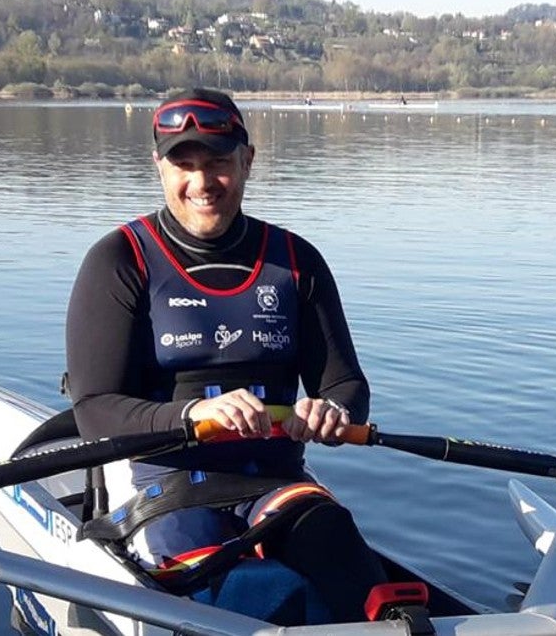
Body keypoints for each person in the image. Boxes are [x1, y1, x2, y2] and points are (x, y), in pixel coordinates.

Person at [65, 87, 387, 624]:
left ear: (248, 161)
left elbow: (347, 386)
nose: (201, 182)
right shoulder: (120, 260)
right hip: (170, 491)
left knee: (359, 583)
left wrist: (334, 412)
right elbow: (94, 409)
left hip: (279, 486)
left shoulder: (296, 262)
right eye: (183, 165)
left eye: (217, 162)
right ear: (159, 167)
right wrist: (191, 415)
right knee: (257, 597)